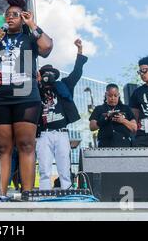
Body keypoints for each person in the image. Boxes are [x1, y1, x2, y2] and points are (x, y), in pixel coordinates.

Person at [0, 0, 53, 195]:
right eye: (7, 15)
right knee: (3, 147)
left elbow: (46, 48)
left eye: (15, 15)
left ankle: (27, 194)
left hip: (26, 95)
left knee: (26, 144)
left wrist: (33, 24)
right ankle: (1, 194)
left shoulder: (30, 35)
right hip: (0, 96)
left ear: (23, 17)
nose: (10, 18)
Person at [36, 39, 87, 190]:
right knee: (44, 167)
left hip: (61, 133)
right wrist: (37, 83)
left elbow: (76, 73)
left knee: (65, 166)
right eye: (46, 73)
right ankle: (44, 192)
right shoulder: (35, 89)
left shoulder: (63, 86)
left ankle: (67, 191)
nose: (49, 76)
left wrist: (79, 51)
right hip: (43, 134)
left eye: (52, 73)